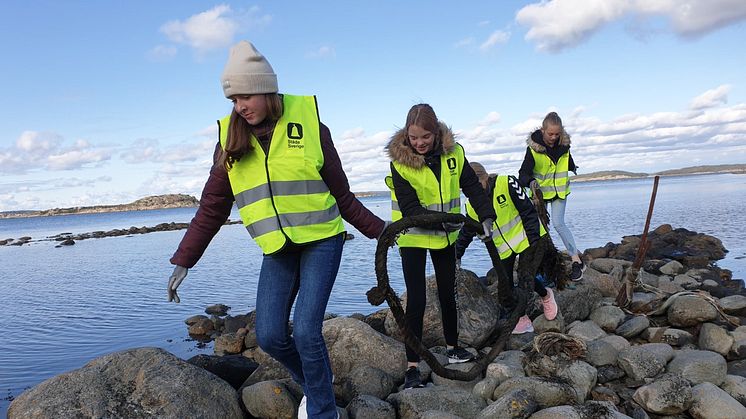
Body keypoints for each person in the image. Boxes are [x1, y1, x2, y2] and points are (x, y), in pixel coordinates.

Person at [166, 41, 386, 419]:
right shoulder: (230, 143)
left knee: (305, 330)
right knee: (268, 336)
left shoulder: (312, 127)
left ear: (267, 89)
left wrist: (382, 231)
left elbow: (343, 196)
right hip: (278, 249)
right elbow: (212, 208)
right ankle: (319, 386)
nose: (240, 106)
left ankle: (322, 410)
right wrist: (185, 260)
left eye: (246, 95)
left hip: (322, 241)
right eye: (234, 99)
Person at [385, 104, 495, 389]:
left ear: (436, 133)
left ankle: (452, 348)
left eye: (425, 137)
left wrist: (485, 216)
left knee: (448, 293)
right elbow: (410, 208)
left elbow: (471, 186)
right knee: (417, 301)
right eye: (413, 138)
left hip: (445, 237)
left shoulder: (455, 154)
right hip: (412, 236)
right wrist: (446, 222)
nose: (419, 143)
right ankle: (412, 367)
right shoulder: (399, 163)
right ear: (406, 135)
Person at [455, 162, 560, 334]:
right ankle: (521, 317)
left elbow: (528, 211)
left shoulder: (507, 183)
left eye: (479, 184)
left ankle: (546, 295)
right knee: (505, 287)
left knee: (526, 277)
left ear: (486, 177)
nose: (477, 191)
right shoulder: (470, 205)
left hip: (528, 239)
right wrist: (457, 254)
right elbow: (467, 231)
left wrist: (534, 240)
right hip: (503, 248)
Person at [519, 111, 585, 281]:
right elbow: (523, 174)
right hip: (539, 196)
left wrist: (573, 166)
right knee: (541, 230)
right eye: (550, 134)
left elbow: (567, 162)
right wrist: (531, 182)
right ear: (542, 130)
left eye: (557, 134)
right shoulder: (533, 150)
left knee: (558, 223)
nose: (554, 137)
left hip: (560, 192)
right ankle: (543, 266)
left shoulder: (565, 147)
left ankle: (577, 261)